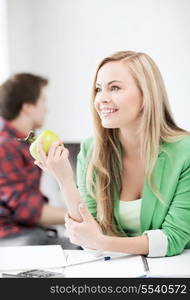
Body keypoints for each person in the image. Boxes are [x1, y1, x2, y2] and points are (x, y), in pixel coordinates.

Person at [35, 51, 190, 257]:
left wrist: (101, 241)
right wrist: (64, 181)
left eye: (114, 88)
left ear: (147, 94)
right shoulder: (92, 150)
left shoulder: (184, 151)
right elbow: (87, 240)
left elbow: (173, 238)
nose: (101, 99)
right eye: (98, 89)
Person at [0, 73, 76, 248]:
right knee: (84, 249)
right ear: (27, 107)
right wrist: (88, 215)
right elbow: (30, 211)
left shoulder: (21, 143)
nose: (46, 109)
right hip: (13, 237)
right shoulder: (6, 146)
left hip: (26, 233)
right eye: (42, 101)